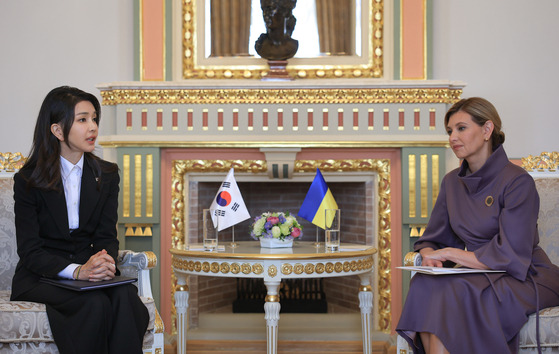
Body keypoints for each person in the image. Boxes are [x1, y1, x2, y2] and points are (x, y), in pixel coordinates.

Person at [396, 97, 559, 354]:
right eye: (450, 131)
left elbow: (512, 254)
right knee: (424, 284)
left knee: (457, 291)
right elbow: (432, 239)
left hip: (525, 275)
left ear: (487, 130)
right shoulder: (452, 182)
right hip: (477, 272)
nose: (452, 137)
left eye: (461, 128)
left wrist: (450, 254)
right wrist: (429, 256)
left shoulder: (518, 181)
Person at [11, 86, 149, 354]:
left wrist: (105, 262)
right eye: (83, 119)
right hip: (42, 276)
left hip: (90, 271)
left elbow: (106, 236)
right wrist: (77, 271)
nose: (93, 127)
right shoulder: (28, 180)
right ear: (57, 130)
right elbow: (30, 251)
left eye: (95, 118)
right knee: (94, 304)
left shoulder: (107, 174)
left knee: (125, 297)